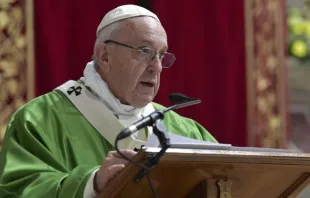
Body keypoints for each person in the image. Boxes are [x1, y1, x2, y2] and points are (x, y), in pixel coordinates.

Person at [0, 4, 217, 198]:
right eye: (145, 52)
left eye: (161, 55)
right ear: (104, 56)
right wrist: (91, 184)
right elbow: (17, 189)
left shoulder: (182, 129)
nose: (157, 67)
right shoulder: (40, 120)